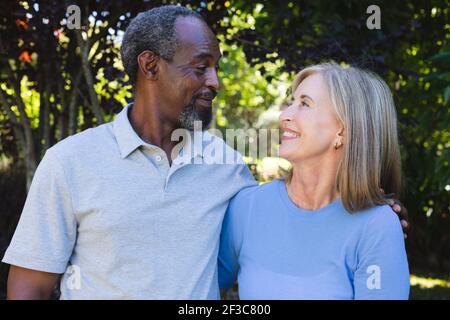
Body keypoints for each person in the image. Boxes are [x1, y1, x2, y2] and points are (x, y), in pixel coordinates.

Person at [2, 6, 407, 299]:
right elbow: (30, 286)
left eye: (216, 67)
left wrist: (376, 218)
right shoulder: (69, 162)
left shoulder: (231, 171)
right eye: (201, 67)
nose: (214, 81)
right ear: (150, 66)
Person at [218, 63, 410, 299]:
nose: (284, 115)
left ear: (342, 130)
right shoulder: (246, 208)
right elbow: (199, 288)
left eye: (304, 104)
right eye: (291, 102)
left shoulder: (377, 226)